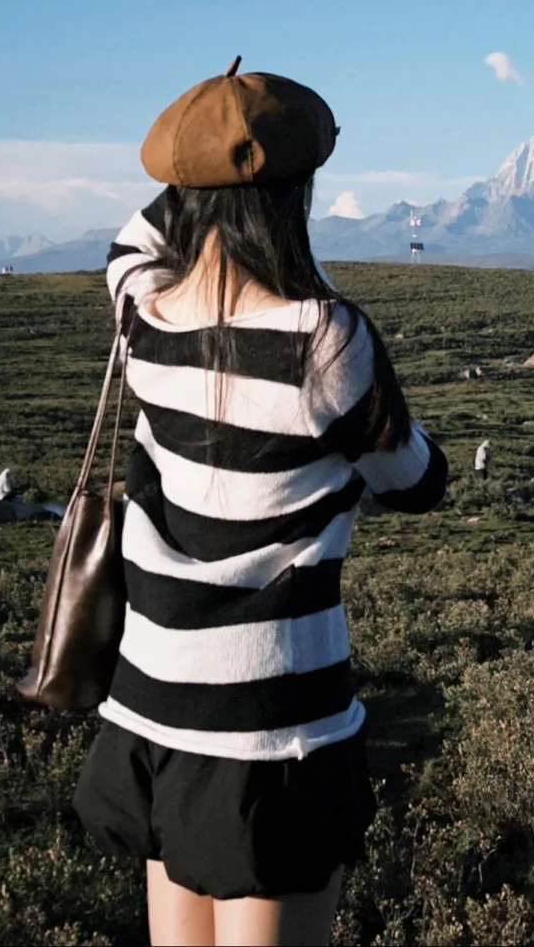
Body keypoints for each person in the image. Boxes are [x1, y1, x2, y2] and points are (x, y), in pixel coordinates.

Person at [71, 60, 448, 947]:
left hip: (154, 710)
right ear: (300, 189)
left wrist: (201, 155)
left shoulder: (144, 316)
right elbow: (420, 482)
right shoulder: (328, 340)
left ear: (182, 188)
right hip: (274, 733)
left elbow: (129, 245)